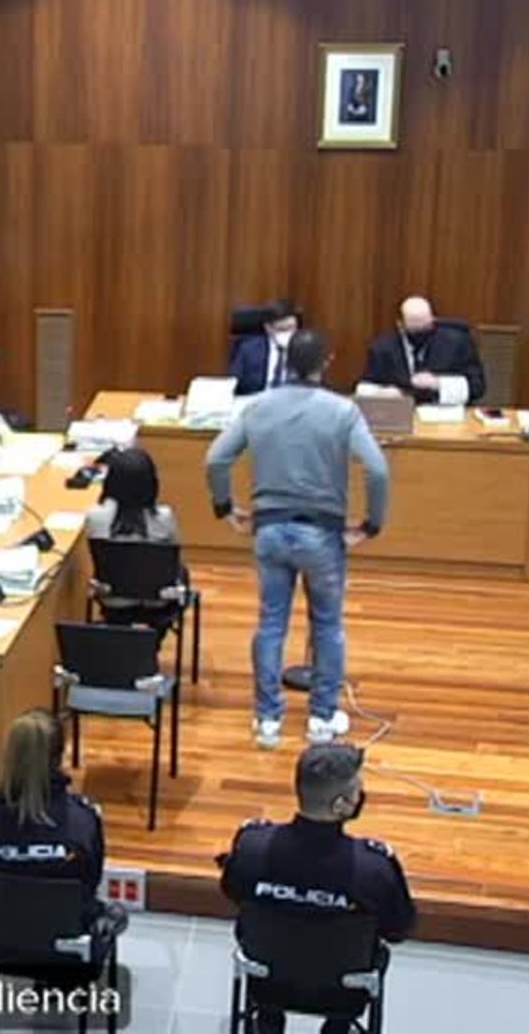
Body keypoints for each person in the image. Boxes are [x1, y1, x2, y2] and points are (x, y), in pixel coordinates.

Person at [206, 330, 390, 749]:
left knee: (271, 622)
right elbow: (378, 470)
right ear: (326, 363)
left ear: (287, 361)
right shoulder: (342, 411)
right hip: (322, 533)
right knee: (327, 624)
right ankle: (321, 718)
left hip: (269, 530)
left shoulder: (258, 406)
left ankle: (267, 720)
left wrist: (224, 506)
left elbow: (216, 458)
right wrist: (371, 524)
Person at [219, 743, 416, 1034]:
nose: (360, 794)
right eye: (357, 789)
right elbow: (399, 929)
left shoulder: (251, 847)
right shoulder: (373, 868)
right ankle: (337, 1028)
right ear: (341, 805)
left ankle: (267, 1024)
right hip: (343, 993)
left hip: (266, 982)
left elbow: (233, 891)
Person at [0, 709, 125, 976]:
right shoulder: (84, 819)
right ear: (60, 757)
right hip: (68, 955)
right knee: (114, 913)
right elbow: (91, 882)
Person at [84, 446, 184, 632]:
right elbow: (174, 559)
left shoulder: (95, 517)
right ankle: (153, 639)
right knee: (182, 570)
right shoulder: (165, 518)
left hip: (113, 601)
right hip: (157, 602)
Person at [360, 295, 485, 405]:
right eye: (415, 330)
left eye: (426, 328)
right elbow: (364, 388)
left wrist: (438, 383)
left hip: (444, 414)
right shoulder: (383, 349)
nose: (421, 336)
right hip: (401, 413)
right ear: (400, 325)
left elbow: (477, 387)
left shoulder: (456, 343)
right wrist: (381, 393)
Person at [230, 301, 303, 396]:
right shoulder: (248, 350)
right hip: (257, 400)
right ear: (268, 328)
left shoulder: (304, 350)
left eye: (292, 328)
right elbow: (235, 383)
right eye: (282, 329)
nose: (288, 333)